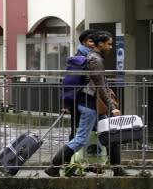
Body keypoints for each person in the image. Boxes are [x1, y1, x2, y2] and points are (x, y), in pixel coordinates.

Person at [46, 30, 125, 177]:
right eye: (108, 44)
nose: (110, 47)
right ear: (99, 44)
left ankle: (118, 170)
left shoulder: (93, 57)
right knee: (81, 139)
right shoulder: (96, 60)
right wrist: (113, 108)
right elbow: (101, 87)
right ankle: (53, 167)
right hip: (90, 105)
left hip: (92, 104)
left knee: (112, 136)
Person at [67, 28, 97, 141]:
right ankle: (68, 156)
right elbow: (71, 81)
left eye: (95, 41)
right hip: (80, 100)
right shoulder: (80, 58)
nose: (94, 44)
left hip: (86, 99)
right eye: (91, 41)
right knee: (77, 130)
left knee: (81, 130)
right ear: (84, 42)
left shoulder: (91, 56)